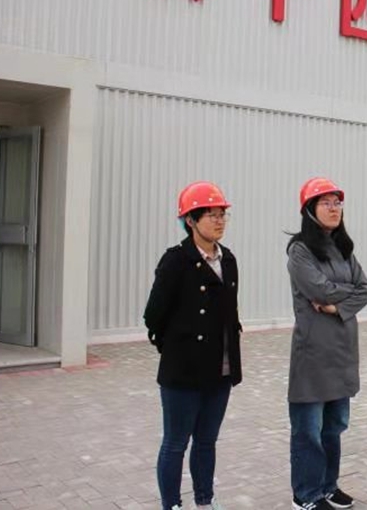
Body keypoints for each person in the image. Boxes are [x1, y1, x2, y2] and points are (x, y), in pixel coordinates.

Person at [144, 181, 242, 510]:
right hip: (183, 371)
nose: (219, 221)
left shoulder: (228, 260)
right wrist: (176, 347)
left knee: (206, 442)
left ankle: (205, 501)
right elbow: (153, 316)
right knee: (175, 443)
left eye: (222, 214)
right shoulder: (176, 261)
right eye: (211, 215)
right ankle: (172, 505)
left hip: (220, 368)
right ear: (190, 220)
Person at [286, 177, 367, 510]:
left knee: (334, 427)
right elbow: (317, 289)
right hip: (313, 355)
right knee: (309, 429)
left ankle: (328, 485)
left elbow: (365, 290)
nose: (335, 208)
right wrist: (346, 295)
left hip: (342, 352)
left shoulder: (343, 249)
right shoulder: (300, 251)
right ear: (309, 210)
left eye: (338, 203)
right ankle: (306, 494)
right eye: (326, 203)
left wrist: (337, 306)